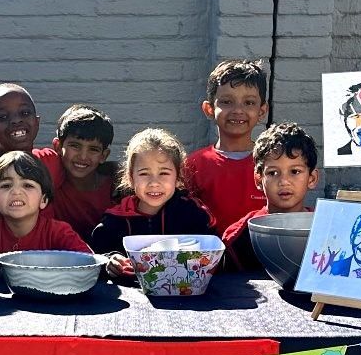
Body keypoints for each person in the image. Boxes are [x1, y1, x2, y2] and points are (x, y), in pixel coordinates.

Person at [86, 128, 213, 267]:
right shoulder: (115, 220)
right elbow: (97, 256)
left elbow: (215, 256)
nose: (154, 183)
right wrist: (110, 261)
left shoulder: (194, 213)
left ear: (178, 177)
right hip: (131, 288)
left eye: (164, 173)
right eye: (144, 173)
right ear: (131, 178)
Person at [184, 59, 269, 230]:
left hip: (262, 254)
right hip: (209, 255)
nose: (238, 110)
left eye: (249, 102)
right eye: (226, 102)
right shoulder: (193, 165)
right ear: (209, 109)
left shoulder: (271, 163)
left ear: (262, 111)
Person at [222, 121, 318, 272]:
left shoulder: (324, 230)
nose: (284, 182)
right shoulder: (239, 236)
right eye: (272, 173)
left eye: (295, 171)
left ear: (311, 179)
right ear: (258, 180)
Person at [0, 151, 92, 258]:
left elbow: (89, 262)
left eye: (28, 185)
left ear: (43, 200)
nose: (16, 192)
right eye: (6, 186)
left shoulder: (58, 232)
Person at [34, 105, 116, 238]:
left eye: (93, 149)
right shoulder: (49, 170)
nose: (83, 156)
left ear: (104, 156)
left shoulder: (115, 188)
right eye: (75, 146)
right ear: (58, 146)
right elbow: (17, 159)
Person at [0, 82, 41, 179]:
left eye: (25, 113)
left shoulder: (51, 160)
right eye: (3, 117)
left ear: (37, 121)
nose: (16, 120)